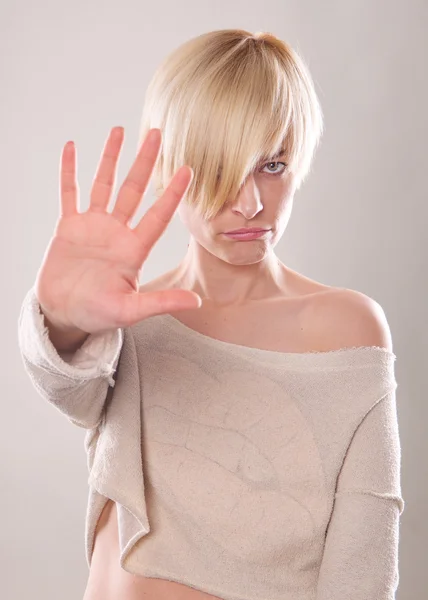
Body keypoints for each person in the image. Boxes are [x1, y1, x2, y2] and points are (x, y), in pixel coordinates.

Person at [18, 29, 404, 600]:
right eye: (220, 167)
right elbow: (66, 382)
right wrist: (64, 319)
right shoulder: (128, 320)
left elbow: (362, 577)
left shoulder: (346, 330)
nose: (250, 203)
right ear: (167, 168)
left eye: (273, 166)